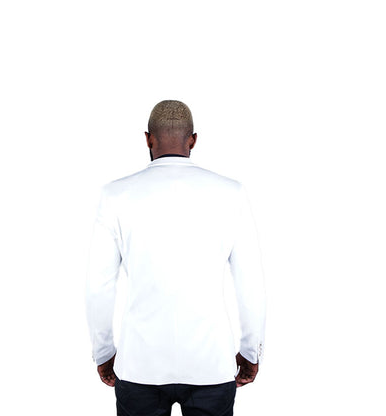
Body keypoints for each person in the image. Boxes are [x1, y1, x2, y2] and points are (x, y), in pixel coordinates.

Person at [84, 100, 266, 416]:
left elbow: (98, 286)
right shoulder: (231, 193)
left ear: (148, 139)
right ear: (192, 140)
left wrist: (103, 352)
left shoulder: (115, 195)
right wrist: (251, 352)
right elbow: (250, 284)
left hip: (140, 364)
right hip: (211, 364)